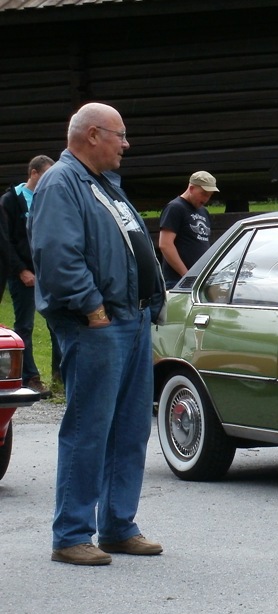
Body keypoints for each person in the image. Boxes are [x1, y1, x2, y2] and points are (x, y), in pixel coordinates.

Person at [28, 102, 165, 566]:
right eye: (119, 135)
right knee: (89, 429)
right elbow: (57, 253)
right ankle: (71, 534)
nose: (126, 144)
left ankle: (118, 526)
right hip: (98, 324)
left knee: (130, 429)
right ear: (92, 135)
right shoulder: (61, 183)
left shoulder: (103, 184)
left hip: (132, 319)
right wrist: (92, 306)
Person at [1, 155, 57, 395]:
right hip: (22, 274)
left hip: (48, 272)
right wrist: (21, 270)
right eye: (46, 175)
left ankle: (60, 375)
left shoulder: (49, 199)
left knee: (57, 321)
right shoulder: (10, 201)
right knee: (25, 324)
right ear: (33, 173)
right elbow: (5, 241)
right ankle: (29, 377)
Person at [158, 170, 218, 288]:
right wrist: (186, 276)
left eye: (210, 195)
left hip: (200, 279)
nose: (206, 199)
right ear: (191, 188)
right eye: (203, 194)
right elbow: (165, 244)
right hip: (178, 281)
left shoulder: (204, 211)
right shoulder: (175, 208)